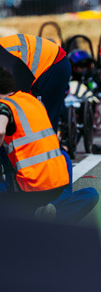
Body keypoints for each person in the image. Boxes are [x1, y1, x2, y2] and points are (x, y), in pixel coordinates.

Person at [0, 67, 70, 216]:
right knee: (89, 194)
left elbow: (0, 130)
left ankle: (28, 214)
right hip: (58, 182)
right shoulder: (31, 100)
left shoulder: (4, 105)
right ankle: (39, 213)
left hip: (30, 187)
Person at [0, 34, 71, 133]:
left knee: (42, 120)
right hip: (45, 61)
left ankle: (52, 147)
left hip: (52, 64)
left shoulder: (5, 61)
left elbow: (14, 95)